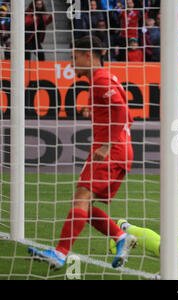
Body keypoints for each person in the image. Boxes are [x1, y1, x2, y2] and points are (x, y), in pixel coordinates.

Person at [28, 36, 137, 270]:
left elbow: (123, 112)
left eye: (74, 57)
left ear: (89, 55)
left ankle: (59, 253)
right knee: (83, 204)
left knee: (81, 198)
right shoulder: (102, 79)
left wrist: (107, 144)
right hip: (120, 149)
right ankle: (120, 237)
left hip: (112, 150)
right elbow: (121, 112)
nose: (71, 63)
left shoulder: (100, 79)